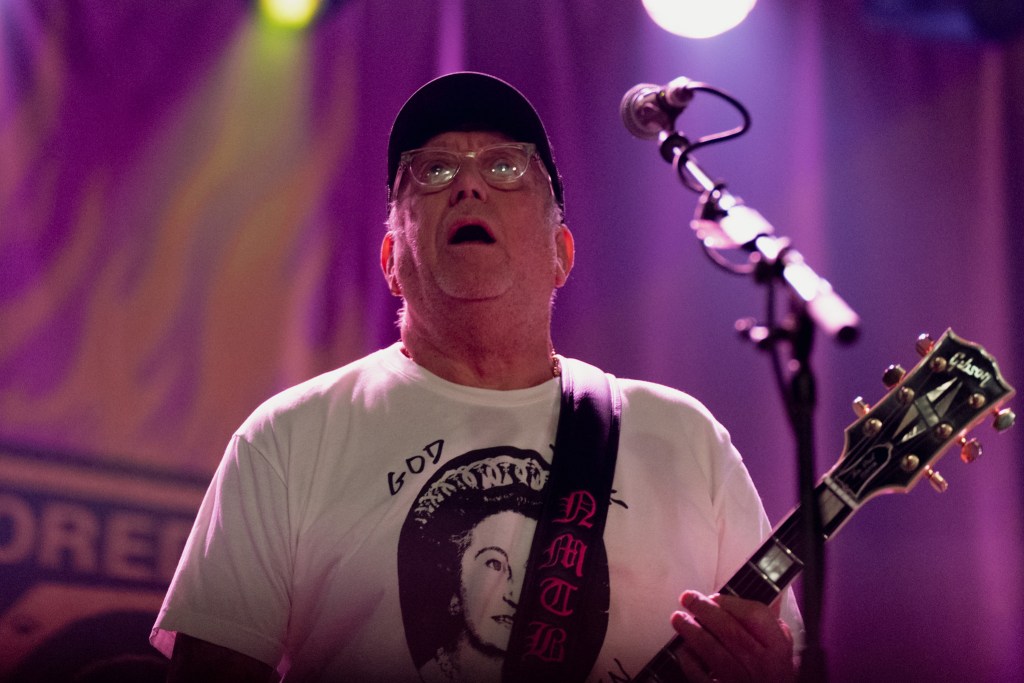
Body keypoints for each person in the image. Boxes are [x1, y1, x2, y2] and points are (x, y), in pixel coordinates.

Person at [151, 71, 801, 682]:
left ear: (561, 253)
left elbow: (779, 653)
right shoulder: (287, 437)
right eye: (433, 170)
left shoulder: (684, 436)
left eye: (506, 166)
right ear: (390, 260)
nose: (468, 185)